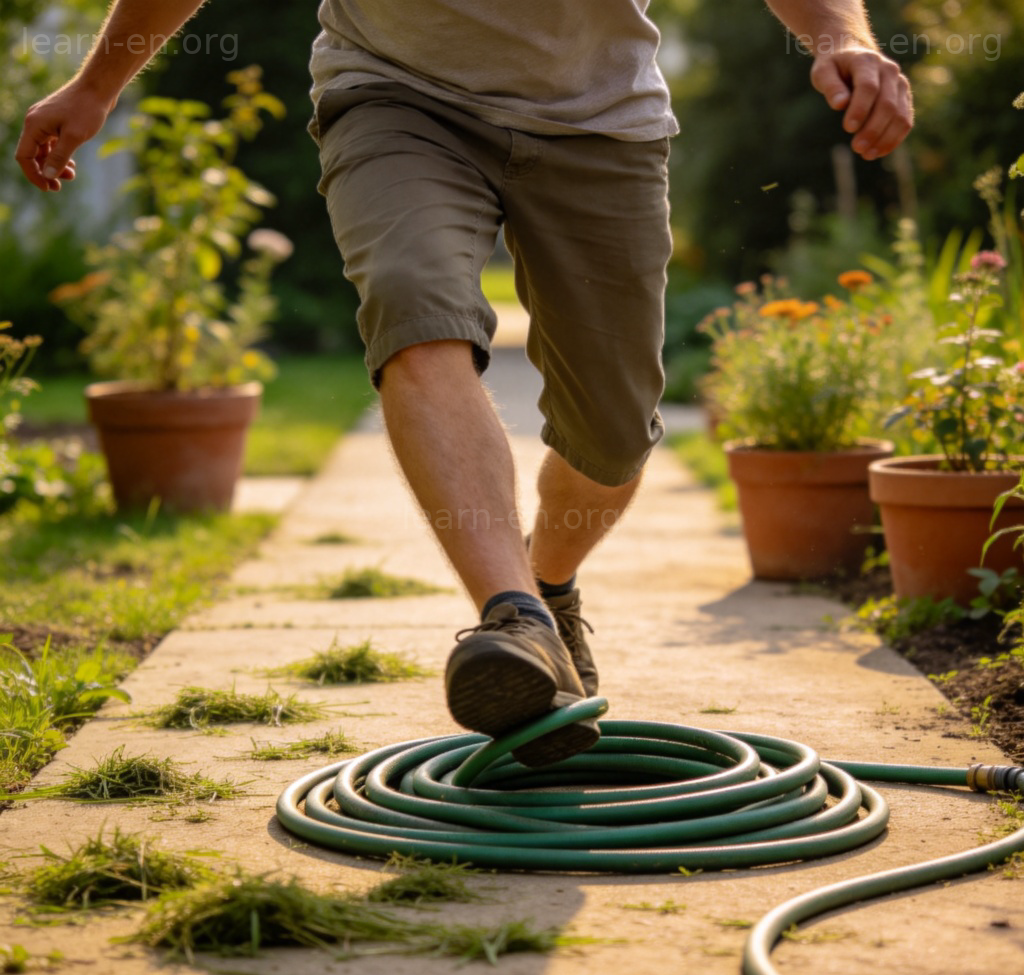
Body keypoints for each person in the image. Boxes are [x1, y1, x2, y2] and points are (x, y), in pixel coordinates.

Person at [17, 1, 913, 767]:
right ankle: (514, 616)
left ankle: (549, 591)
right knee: (415, 306)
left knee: (610, 436)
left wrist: (841, 34)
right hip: (395, 95)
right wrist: (97, 83)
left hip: (601, 117)